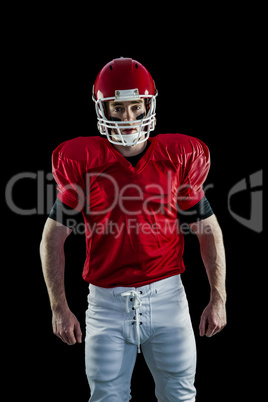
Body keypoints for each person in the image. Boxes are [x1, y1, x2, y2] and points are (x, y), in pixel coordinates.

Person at [40, 57, 227, 402]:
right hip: (106, 304)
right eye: (117, 109)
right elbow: (53, 237)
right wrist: (59, 307)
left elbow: (207, 228)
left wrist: (219, 298)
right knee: (106, 398)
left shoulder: (178, 156)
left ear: (148, 106)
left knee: (181, 397)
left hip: (168, 297)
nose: (127, 119)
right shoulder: (82, 161)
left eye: (135, 107)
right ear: (102, 110)